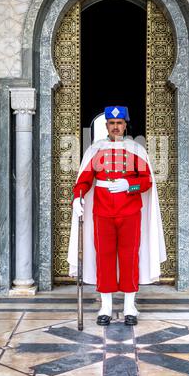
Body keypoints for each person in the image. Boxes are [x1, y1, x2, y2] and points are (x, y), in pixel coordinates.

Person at [67, 106, 166, 326]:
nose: (116, 127)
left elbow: (147, 181)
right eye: (112, 124)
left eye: (119, 123)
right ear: (106, 126)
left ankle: (130, 307)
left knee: (130, 257)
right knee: (105, 257)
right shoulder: (95, 150)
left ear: (125, 125)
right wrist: (77, 197)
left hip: (130, 211)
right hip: (102, 212)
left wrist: (129, 185)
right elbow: (84, 180)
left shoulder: (136, 149)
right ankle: (106, 307)